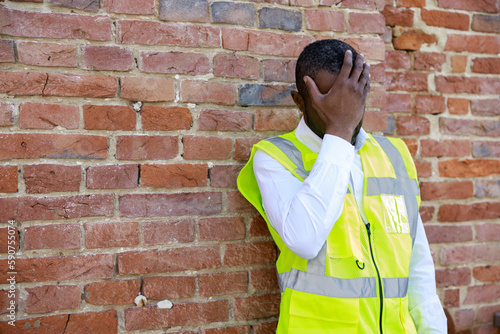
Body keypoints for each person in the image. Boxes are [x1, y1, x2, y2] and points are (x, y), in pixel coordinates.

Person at [237, 39, 447, 333]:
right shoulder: (275, 158)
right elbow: (304, 239)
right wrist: (339, 130)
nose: (344, 109)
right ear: (300, 102)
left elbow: (418, 266)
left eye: (352, 98)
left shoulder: (394, 156)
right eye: (330, 101)